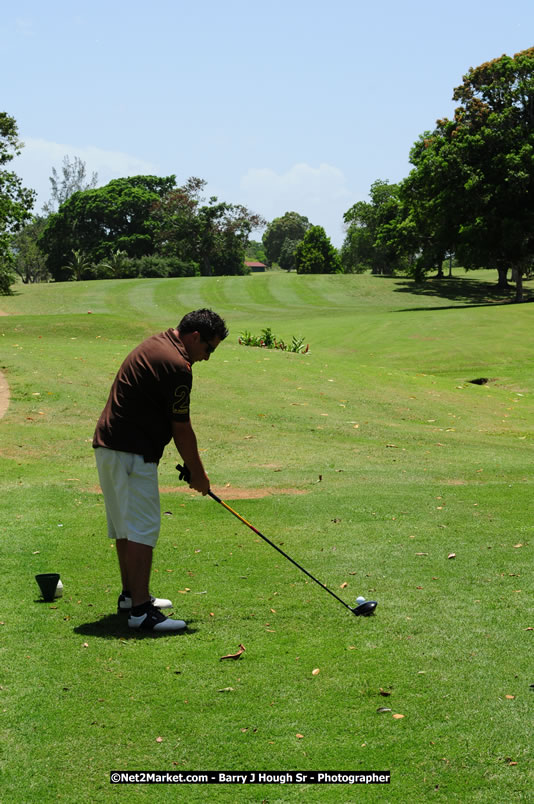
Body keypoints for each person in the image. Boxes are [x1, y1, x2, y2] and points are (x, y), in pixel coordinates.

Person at [93, 308, 228, 633]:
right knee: (142, 527)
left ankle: (131, 596)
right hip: (129, 452)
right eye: (208, 348)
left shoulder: (158, 343)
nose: (207, 357)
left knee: (126, 526)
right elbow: (181, 427)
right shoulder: (177, 365)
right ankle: (141, 612)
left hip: (111, 447)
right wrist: (199, 473)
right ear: (195, 337)